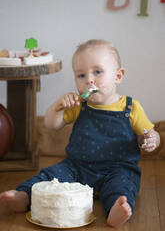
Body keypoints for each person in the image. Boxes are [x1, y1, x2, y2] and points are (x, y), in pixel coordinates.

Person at [0, 39, 160, 228]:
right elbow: (52, 124)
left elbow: (148, 133)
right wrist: (58, 106)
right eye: (81, 75)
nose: (89, 80)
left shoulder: (131, 107)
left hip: (118, 169)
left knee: (123, 187)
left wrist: (150, 139)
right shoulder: (79, 105)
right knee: (49, 176)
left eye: (97, 72)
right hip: (77, 167)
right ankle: (25, 196)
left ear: (118, 76)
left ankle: (115, 210)